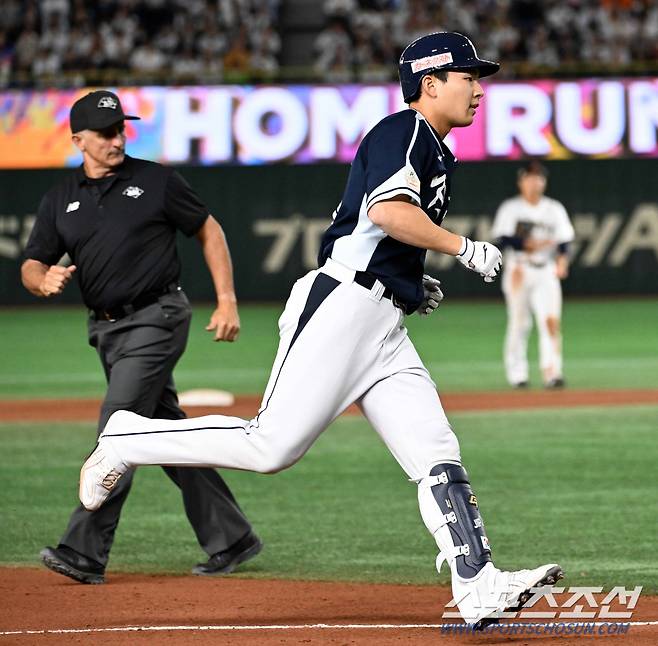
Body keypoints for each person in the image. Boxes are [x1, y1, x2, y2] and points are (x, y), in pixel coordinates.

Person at [78, 34, 563, 628]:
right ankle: (127, 437)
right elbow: (386, 211)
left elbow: (383, 226)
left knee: (435, 451)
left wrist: (411, 281)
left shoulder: (432, 145)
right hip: (343, 306)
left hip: (383, 322)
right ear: (430, 83)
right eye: (469, 76)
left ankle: (478, 584)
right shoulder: (403, 131)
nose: (480, 88)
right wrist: (462, 249)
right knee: (271, 446)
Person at [21, 90, 262, 584]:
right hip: (105, 330)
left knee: (118, 429)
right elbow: (31, 262)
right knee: (161, 431)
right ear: (78, 140)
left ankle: (84, 551)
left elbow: (209, 230)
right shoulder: (59, 199)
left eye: (120, 129)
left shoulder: (156, 181)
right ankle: (231, 537)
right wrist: (39, 278)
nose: (116, 138)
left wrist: (227, 300)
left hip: (157, 316)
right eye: (105, 132)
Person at [491, 161, 575, 389]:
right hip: (519, 269)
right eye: (529, 177)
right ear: (521, 182)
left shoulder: (554, 208)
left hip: (546, 269)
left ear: (544, 182)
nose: (534, 182)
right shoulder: (511, 208)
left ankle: (552, 373)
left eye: (538, 177)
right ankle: (517, 375)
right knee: (519, 323)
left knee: (550, 322)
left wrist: (562, 261)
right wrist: (526, 243)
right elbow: (501, 238)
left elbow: (565, 241)